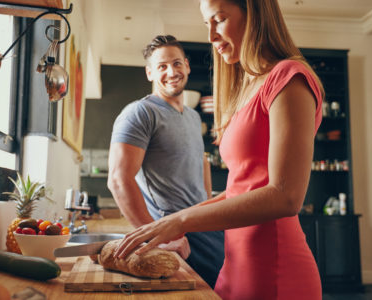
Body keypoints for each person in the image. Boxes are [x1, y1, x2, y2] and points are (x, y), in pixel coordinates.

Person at [113, 1, 325, 299]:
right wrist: (167, 224)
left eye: (220, 19)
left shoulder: (288, 77)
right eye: (206, 24)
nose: (211, 36)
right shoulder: (248, 87)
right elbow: (242, 188)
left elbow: (286, 196)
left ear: (255, 13)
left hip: (275, 268)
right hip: (236, 263)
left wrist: (180, 220)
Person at [107, 35, 225, 288]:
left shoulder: (193, 117)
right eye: (162, 66)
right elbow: (118, 180)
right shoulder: (140, 113)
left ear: (187, 66)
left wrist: (204, 210)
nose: (171, 72)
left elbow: (201, 161)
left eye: (177, 63)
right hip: (174, 233)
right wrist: (156, 239)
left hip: (205, 228)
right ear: (149, 73)